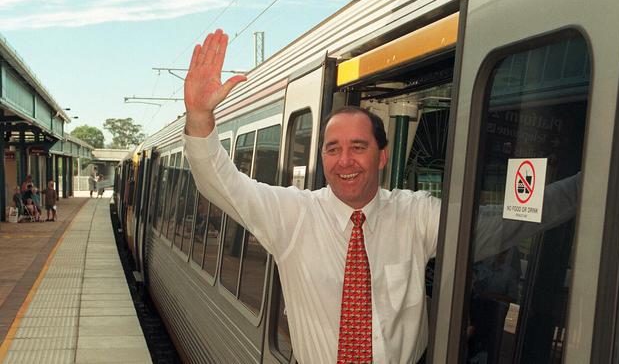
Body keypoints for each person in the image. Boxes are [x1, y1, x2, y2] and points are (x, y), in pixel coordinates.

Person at [182, 29, 579, 363]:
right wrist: (200, 119)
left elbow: (498, 224)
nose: (344, 161)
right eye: (332, 149)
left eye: (358, 147)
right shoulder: (293, 214)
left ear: (382, 156)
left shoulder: (414, 214)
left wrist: (584, 187)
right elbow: (223, 184)